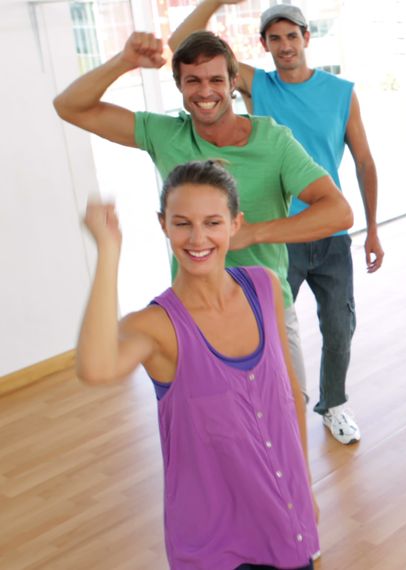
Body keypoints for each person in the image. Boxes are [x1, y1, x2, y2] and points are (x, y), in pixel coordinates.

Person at [53, 31, 353, 413]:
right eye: (193, 80)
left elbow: (338, 211)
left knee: (285, 419)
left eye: (216, 80)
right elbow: (70, 107)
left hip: (268, 308)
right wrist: (124, 61)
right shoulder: (165, 134)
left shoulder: (273, 142)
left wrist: (249, 234)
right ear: (178, 85)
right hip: (195, 314)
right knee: (217, 429)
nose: (205, 90)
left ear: (232, 84)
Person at [75, 161, 318, 569]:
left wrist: (304, 483)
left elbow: (289, 395)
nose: (198, 238)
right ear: (163, 225)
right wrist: (108, 253)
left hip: (283, 519)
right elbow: (96, 368)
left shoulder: (264, 286)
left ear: (235, 224)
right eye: (182, 223)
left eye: (212, 222)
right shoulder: (156, 326)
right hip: (212, 545)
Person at [168, 1, 383, 445]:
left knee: (339, 326)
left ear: (307, 38)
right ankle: (257, 421)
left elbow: (363, 161)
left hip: (329, 233)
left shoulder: (341, 92)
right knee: (271, 333)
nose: (284, 46)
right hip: (275, 239)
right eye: (274, 38)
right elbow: (182, 46)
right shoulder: (256, 85)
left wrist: (374, 228)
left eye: (292, 36)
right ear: (263, 45)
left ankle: (335, 403)